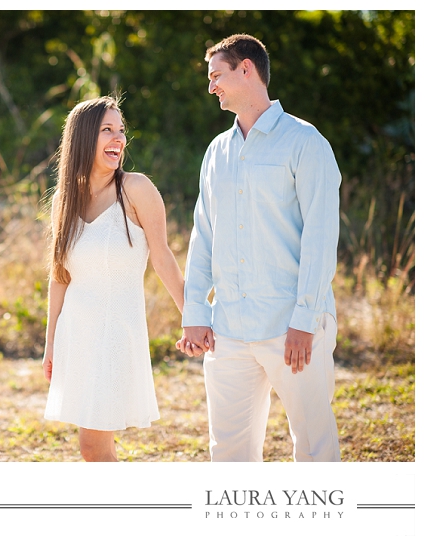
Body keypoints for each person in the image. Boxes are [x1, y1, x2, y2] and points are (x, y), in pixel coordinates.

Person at [177, 34, 342, 462]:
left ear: (246, 69)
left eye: (216, 75)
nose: (211, 86)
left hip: (292, 326)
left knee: (314, 447)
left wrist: (306, 318)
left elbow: (321, 236)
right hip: (228, 329)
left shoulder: (306, 143)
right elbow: (203, 236)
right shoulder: (216, 152)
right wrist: (195, 312)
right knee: (228, 453)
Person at [42, 95, 185, 462]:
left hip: (115, 334)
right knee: (91, 445)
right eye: (107, 130)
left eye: (121, 131)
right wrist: (50, 343)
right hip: (77, 334)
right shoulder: (65, 199)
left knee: (93, 445)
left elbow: (162, 257)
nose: (118, 139)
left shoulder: (136, 188)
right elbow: (60, 276)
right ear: (83, 138)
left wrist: (193, 314)